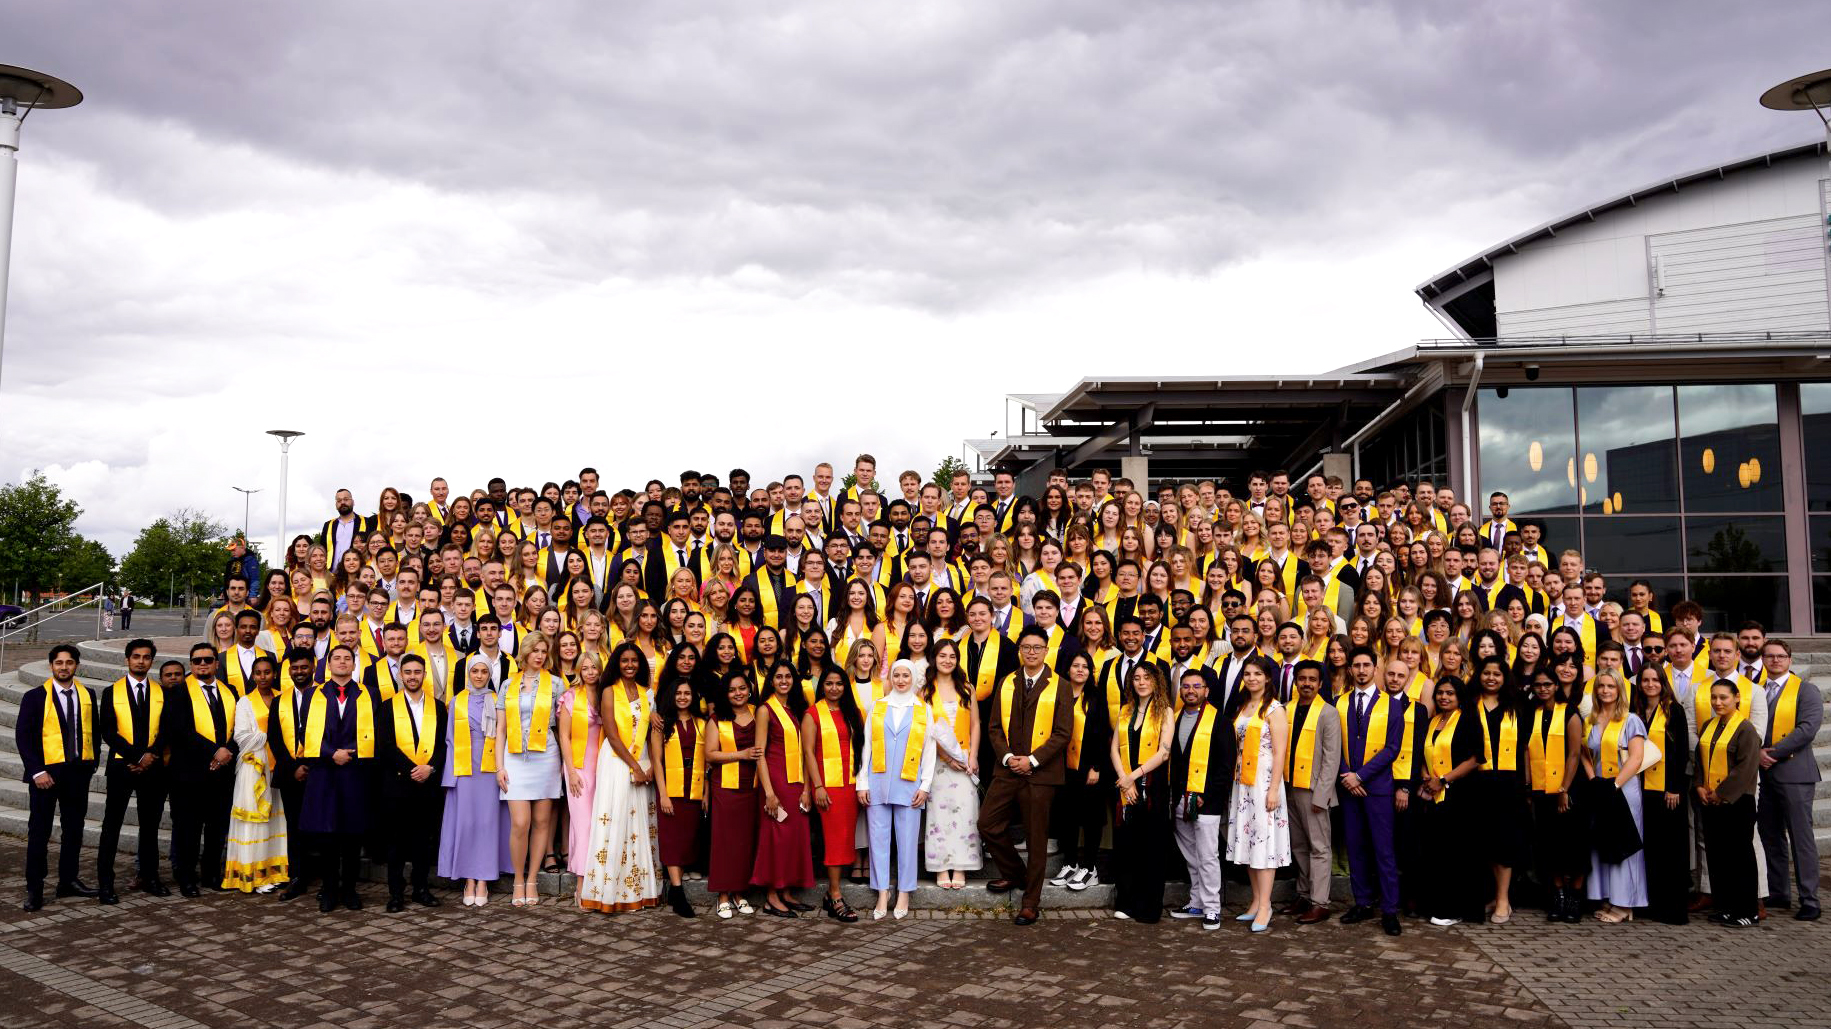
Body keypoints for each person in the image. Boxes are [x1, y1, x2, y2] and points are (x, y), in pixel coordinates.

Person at [979, 624, 1074, 925]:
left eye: (1037, 647)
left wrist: (1032, 760)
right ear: (1019, 650)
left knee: (1036, 839)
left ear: (1046, 650)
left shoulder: (1061, 685)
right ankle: (1016, 874)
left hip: (1040, 774)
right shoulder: (1007, 681)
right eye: (1026, 647)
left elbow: (1062, 733)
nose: (1031, 652)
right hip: (1008, 769)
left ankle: (1031, 902)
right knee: (987, 824)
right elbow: (994, 727)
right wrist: (1009, 758)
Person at [16, 644, 99, 911]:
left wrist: (91, 764)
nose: (64, 667)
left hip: (77, 774)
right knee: (39, 832)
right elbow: (23, 737)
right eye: (59, 663)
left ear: (77, 665)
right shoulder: (34, 697)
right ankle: (35, 888)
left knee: (74, 830)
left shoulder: (87, 694)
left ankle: (68, 880)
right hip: (45, 776)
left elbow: (94, 731)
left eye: (69, 662)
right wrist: (36, 771)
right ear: (51, 665)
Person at [580, 642, 661, 914]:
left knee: (638, 820)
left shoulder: (646, 692)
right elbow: (612, 735)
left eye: (634, 661)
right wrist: (634, 767)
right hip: (617, 760)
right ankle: (608, 893)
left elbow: (648, 730)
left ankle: (639, 891)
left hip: (642, 759)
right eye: (625, 660)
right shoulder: (609, 691)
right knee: (616, 818)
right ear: (617, 663)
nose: (630, 665)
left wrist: (649, 765)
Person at [301, 645, 379, 912]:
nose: (342, 662)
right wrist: (331, 753)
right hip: (325, 773)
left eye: (347, 658)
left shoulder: (369, 694)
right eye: (337, 658)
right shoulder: (313, 694)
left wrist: (350, 753)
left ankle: (350, 890)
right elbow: (306, 732)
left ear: (354, 664)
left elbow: (374, 731)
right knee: (328, 837)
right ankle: (329, 890)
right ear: (328, 664)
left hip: (355, 774)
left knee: (352, 836)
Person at [857, 659, 938, 919]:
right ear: (890, 678)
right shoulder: (878, 706)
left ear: (913, 678)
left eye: (906, 675)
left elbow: (929, 750)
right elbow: (866, 746)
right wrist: (862, 781)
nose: (901, 680)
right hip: (878, 781)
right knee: (878, 840)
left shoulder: (923, 709)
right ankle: (882, 891)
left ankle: (904, 892)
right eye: (897, 675)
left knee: (907, 841)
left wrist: (925, 785)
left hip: (909, 783)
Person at [1336, 645, 1404, 936]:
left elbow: (1392, 749)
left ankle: (1389, 910)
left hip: (1377, 789)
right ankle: (1362, 902)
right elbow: (1333, 744)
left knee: (1383, 850)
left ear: (1376, 668)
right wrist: (1346, 775)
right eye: (1357, 665)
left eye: (1367, 665)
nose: (1362, 670)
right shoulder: (1339, 703)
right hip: (1348, 788)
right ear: (1350, 669)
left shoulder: (1392, 705)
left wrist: (1360, 776)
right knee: (1355, 847)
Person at [165, 642, 240, 898]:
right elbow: (180, 731)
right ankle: (187, 877)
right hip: (189, 773)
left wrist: (228, 750)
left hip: (222, 771)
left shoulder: (229, 691)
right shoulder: (178, 692)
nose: (203, 664)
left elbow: (238, 728)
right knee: (189, 829)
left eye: (208, 659)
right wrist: (214, 751)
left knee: (217, 827)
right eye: (197, 660)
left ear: (217, 663)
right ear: (191, 664)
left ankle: (211, 874)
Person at [97, 638, 169, 902]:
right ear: (127, 659)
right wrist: (136, 756)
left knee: (150, 826)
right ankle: (106, 883)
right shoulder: (111, 692)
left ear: (152, 661)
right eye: (136, 656)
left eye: (146, 657)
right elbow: (108, 731)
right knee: (111, 826)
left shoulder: (161, 692)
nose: (141, 661)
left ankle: (150, 877)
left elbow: (166, 729)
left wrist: (149, 756)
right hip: (121, 766)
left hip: (153, 768)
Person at [1755, 639, 1822, 921]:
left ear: (1790, 659)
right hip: (1763, 774)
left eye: (1780, 656)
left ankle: (1810, 899)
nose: (1775, 660)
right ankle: (1778, 891)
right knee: (1770, 835)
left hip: (1794, 774)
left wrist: (1772, 753)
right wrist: (1756, 753)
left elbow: (1807, 729)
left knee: (1800, 837)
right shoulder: (1756, 690)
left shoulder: (1805, 690)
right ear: (1762, 660)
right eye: (1769, 656)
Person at [1165, 666, 1236, 930]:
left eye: (1197, 686)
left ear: (1206, 690)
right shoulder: (1174, 719)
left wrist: (1208, 794)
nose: (1190, 691)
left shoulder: (1220, 721)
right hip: (1179, 799)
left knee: (1207, 856)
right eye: (1186, 686)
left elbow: (1226, 766)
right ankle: (1196, 902)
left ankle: (1212, 908)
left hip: (1206, 801)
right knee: (1191, 855)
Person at [497, 631, 564, 906]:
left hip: (546, 755)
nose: (539, 656)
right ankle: (517, 879)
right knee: (520, 823)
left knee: (541, 822)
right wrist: (498, 766)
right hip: (514, 757)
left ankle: (533, 879)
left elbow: (562, 727)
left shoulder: (556, 684)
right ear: (525, 652)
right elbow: (501, 729)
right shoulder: (508, 684)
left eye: (543, 651)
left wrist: (566, 764)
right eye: (535, 650)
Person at [439, 656, 510, 907]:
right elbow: (449, 740)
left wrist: (502, 768)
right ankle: (469, 878)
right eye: (475, 671)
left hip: (490, 768)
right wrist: (451, 776)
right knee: (466, 822)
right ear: (468, 673)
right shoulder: (456, 701)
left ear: (490, 674)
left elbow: (504, 735)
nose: (479, 676)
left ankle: (484, 879)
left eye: (483, 671)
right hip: (465, 768)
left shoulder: (498, 700)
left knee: (487, 823)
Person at [1226, 656, 1290, 932]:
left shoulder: (1275, 709)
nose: (1252, 678)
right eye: (1248, 674)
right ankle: (1255, 901)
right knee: (1249, 841)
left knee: (1264, 843)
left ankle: (1266, 905)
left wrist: (1274, 789)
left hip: (1264, 783)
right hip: (1243, 783)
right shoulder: (1243, 706)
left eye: (1257, 674)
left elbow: (1280, 753)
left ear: (1267, 678)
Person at [379, 654, 446, 912]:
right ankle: (396, 893)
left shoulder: (437, 707)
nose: (412, 676)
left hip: (427, 783)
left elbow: (443, 744)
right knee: (396, 842)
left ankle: (421, 889)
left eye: (417, 672)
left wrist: (430, 768)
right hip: (398, 784)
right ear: (400, 675)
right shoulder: (388, 707)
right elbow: (385, 745)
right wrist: (411, 769)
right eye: (407, 672)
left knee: (423, 840)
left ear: (424, 675)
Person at [1468, 655, 1529, 924]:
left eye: (1497, 674)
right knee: (1485, 841)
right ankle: (1493, 895)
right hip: (1476, 783)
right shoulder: (1469, 704)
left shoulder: (1517, 705)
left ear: (1505, 678)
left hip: (1508, 784)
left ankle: (1503, 899)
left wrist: (1526, 785)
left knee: (1505, 842)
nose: (1491, 678)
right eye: (1486, 673)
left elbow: (1526, 747)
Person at [1417, 677, 1482, 926]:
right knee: (1437, 853)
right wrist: (1426, 775)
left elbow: (1475, 759)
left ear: (1459, 696)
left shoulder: (1467, 719)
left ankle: (1454, 909)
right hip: (1435, 795)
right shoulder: (1434, 720)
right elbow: (1426, 753)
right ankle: (1437, 904)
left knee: (1456, 854)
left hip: (1460, 794)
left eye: (1450, 693)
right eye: (1441, 693)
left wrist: (1443, 779)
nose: (1444, 697)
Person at [1698, 678, 1762, 929]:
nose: (1717, 702)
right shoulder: (1709, 725)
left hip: (1737, 802)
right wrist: (1700, 785)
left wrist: (1722, 793)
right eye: (1714, 697)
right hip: (1711, 801)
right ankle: (1725, 907)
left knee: (1740, 857)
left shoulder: (1745, 729)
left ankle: (1748, 910)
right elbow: (1700, 760)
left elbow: (1746, 768)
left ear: (1737, 698)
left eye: (1723, 697)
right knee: (1718, 856)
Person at [1583, 670, 1647, 923]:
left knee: (1624, 843)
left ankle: (1625, 903)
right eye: (1601, 686)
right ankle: (1608, 897)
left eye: (1611, 686)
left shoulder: (1631, 720)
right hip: (1600, 788)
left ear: (1620, 689)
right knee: (1602, 841)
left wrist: (1615, 785)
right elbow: (1585, 754)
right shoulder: (1590, 719)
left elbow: (1637, 757)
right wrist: (1594, 782)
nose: (1605, 691)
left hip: (1624, 789)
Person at [752, 658, 815, 916]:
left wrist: (807, 789)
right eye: (778, 677)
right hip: (775, 782)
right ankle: (771, 896)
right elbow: (759, 753)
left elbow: (806, 752)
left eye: (788, 676)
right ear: (771, 681)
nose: (784, 681)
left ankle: (786, 891)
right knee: (775, 837)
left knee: (794, 838)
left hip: (796, 782)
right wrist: (769, 792)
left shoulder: (797, 709)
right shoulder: (765, 710)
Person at [1281, 660, 1340, 925]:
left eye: (1312, 679)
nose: (1306, 683)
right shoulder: (1286, 709)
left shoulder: (1328, 713)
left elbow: (1331, 758)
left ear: (1320, 683)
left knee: (1319, 847)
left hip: (1314, 790)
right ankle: (1304, 895)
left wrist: (1322, 794)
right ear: (1295, 681)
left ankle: (1320, 902)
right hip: (1289, 786)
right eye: (1302, 678)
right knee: (1298, 845)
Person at [1526, 670, 1587, 923]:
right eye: (1538, 685)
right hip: (1541, 789)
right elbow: (1527, 750)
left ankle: (1575, 897)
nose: (1543, 689)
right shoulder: (1532, 713)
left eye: (1547, 684)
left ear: (1556, 685)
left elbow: (1574, 754)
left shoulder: (1570, 712)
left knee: (1575, 845)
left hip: (1569, 788)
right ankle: (1558, 894)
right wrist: (1528, 787)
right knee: (1548, 844)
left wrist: (1564, 789)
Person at [803, 668, 862, 921]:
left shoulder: (852, 711)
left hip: (850, 784)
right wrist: (817, 786)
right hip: (828, 786)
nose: (834, 688)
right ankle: (835, 894)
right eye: (829, 683)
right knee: (835, 839)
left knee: (845, 838)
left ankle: (831, 894)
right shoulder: (813, 713)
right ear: (822, 686)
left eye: (839, 683)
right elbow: (808, 752)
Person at [223, 655, 286, 893]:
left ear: (274, 674)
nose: (263, 677)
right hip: (255, 766)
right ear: (252, 675)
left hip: (277, 765)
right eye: (258, 673)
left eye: (267, 672)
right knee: (255, 819)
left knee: (276, 819)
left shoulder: (283, 697)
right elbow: (241, 736)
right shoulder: (245, 702)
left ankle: (274, 871)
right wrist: (271, 734)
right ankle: (254, 876)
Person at [922, 639, 982, 889]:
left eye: (952, 656)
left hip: (965, 758)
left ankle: (960, 866)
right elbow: (923, 731)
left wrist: (973, 755)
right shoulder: (925, 691)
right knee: (939, 815)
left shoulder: (966, 688)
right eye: (942, 656)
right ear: (934, 659)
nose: (947, 660)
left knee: (966, 812)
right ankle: (940, 866)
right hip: (937, 762)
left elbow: (975, 724)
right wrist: (947, 757)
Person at [1633, 663, 1688, 925]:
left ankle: (1674, 907)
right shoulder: (1636, 710)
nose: (1650, 685)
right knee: (1651, 848)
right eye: (1645, 680)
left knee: (1671, 849)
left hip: (1668, 791)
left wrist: (1674, 786)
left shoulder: (1674, 710)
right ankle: (1653, 903)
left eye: (1655, 680)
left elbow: (1681, 752)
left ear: (1663, 682)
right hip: (1643, 789)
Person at [1049, 650, 1108, 894]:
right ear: (1068, 669)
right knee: (1067, 818)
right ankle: (1070, 863)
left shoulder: (1096, 697)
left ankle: (1090, 868)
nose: (1080, 670)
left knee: (1091, 818)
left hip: (1088, 767)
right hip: (1062, 767)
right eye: (1076, 665)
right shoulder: (1057, 694)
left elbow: (1103, 733)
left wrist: (1096, 766)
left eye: (1085, 666)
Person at [707, 671, 761, 918]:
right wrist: (741, 754)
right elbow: (710, 754)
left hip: (753, 785)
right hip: (726, 787)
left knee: (745, 841)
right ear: (725, 694)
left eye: (741, 688)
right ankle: (723, 894)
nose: (738, 693)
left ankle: (739, 892)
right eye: (731, 690)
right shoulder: (717, 719)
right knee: (724, 841)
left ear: (749, 689)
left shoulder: (759, 713)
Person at [652, 673, 706, 918]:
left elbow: (708, 761)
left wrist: (705, 792)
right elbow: (656, 760)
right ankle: (677, 890)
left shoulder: (701, 722)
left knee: (687, 838)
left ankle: (675, 889)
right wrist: (663, 794)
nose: (682, 697)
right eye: (678, 693)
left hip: (693, 788)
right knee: (672, 839)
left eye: (687, 693)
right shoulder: (662, 723)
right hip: (670, 789)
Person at [555, 653, 604, 895]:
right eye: (585, 668)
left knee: (600, 824)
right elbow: (564, 736)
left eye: (594, 667)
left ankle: (600, 878)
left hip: (603, 767)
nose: (590, 672)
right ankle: (582, 883)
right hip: (579, 767)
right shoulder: (570, 697)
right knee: (583, 824)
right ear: (579, 671)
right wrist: (571, 772)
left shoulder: (607, 695)